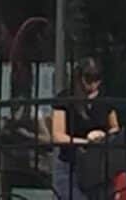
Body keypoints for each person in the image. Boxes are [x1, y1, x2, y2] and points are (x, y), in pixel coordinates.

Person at [50, 57, 119, 200]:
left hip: (97, 165)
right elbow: (58, 135)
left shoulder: (104, 100)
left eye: (97, 80)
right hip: (70, 163)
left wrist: (103, 136)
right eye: (89, 80)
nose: (93, 85)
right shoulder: (65, 99)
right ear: (80, 78)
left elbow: (115, 128)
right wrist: (85, 142)